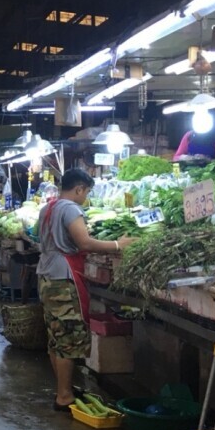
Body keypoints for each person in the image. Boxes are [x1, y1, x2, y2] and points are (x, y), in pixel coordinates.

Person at [36, 168, 135, 412]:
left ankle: (63, 389)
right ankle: (64, 396)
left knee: (57, 336)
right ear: (79, 189)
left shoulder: (47, 207)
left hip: (47, 275)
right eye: (87, 192)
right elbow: (84, 242)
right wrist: (117, 245)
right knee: (68, 338)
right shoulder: (70, 208)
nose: (86, 197)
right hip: (63, 277)